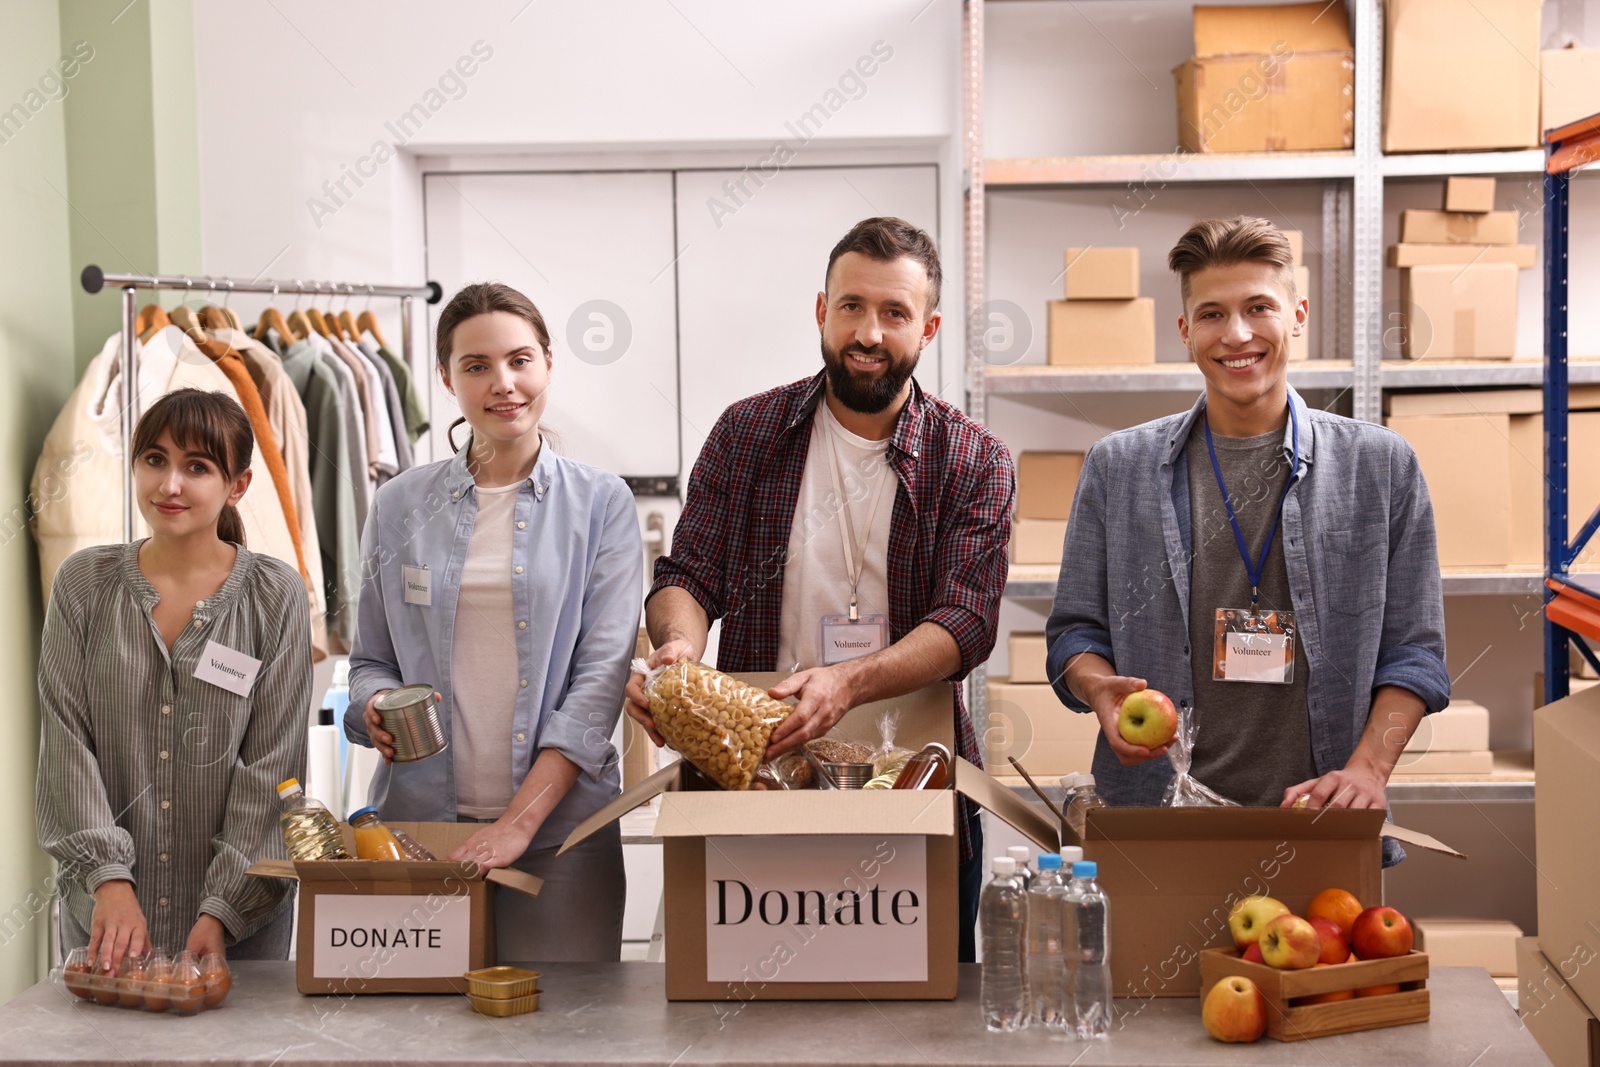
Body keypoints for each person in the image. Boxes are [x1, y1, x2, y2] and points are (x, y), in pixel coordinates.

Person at [625, 217, 1015, 958]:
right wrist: (677, 648)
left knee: (917, 1018)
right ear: (821, 312)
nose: (868, 332)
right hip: (751, 769)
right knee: (745, 1009)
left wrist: (846, 681)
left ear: (927, 328)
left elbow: (965, 620)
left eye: (894, 313)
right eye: (851, 307)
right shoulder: (747, 433)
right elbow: (690, 574)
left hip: (914, 782)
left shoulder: (972, 458)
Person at [1044, 216, 1449, 865]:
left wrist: (1369, 770)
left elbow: (1415, 656)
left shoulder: (1381, 468)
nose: (1236, 334)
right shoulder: (1116, 468)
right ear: (1185, 333)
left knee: (1319, 972)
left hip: (1322, 821)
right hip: (1157, 829)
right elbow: (1074, 634)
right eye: (1211, 314)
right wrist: (1097, 688)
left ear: (1297, 316)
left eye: (1258, 307)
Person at [347, 282, 642, 962]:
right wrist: (379, 706)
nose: (503, 383)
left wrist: (518, 823)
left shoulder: (601, 504)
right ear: (447, 377)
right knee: (420, 1039)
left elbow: (598, 684)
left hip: (562, 838)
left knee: (563, 1035)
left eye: (519, 360)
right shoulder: (398, 506)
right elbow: (369, 663)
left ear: (547, 363)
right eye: (477, 366)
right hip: (417, 831)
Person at [37, 389, 311, 972]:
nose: (169, 486)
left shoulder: (274, 595)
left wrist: (221, 910)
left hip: (239, 929)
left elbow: (274, 769)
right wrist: (109, 881)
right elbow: (66, 745)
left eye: (198, 467)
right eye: (154, 460)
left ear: (238, 485)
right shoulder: (82, 585)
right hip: (105, 920)